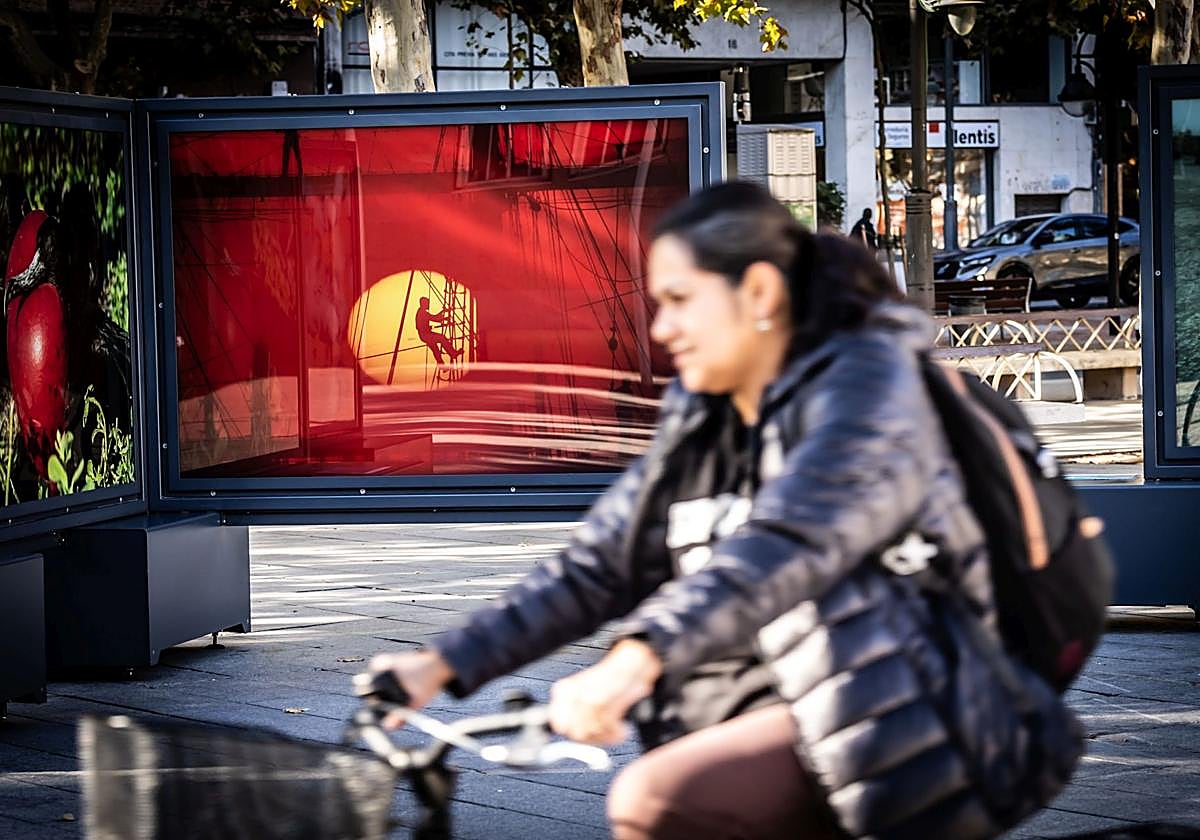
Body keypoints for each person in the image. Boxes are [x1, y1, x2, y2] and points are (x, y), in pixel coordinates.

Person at [369, 182, 1081, 840]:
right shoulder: (704, 412)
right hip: (756, 713)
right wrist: (441, 665)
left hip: (904, 712)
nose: (660, 329)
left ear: (760, 291)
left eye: (680, 300)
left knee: (652, 799)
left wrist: (632, 662)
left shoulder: (871, 393)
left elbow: (788, 542)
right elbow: (599, 565)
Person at [414, 296, 462, 365]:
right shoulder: (422, 313)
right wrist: (443, 313)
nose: (428, 305)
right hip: (426, 335)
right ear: (423, 304)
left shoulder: (421, 312)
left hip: (425, 335)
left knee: (435, 349)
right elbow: (435, 318)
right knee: (442, 338)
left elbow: (435, 318)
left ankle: (441, 365)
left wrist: (444, 317)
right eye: (427, 303)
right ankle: (453, 353)